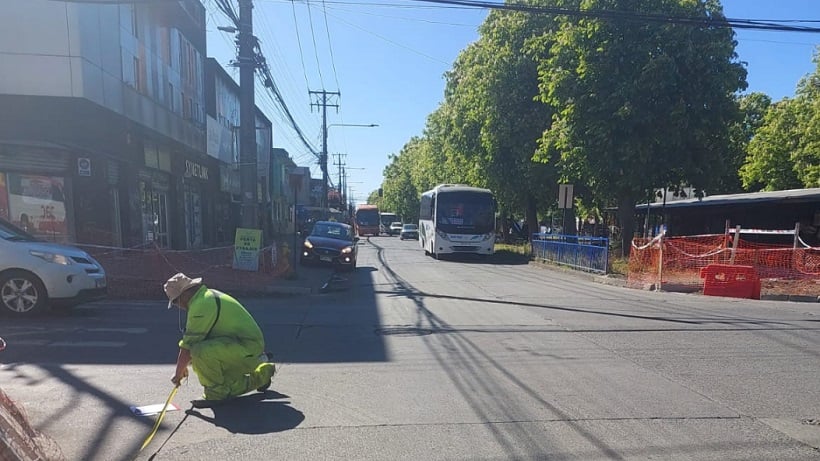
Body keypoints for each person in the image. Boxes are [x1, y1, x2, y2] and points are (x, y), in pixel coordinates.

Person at [164, 273, 275, 408]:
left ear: (184, 295)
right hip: (243, 346)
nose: (178, 306)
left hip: (246, 348)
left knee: (198, 352)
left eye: (175, 301)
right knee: (221, 380)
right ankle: (262, 372)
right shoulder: (206, 296)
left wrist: (177, 374)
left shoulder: (201, 305)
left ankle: (216, 394)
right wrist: (183, 366)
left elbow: (188, 347)